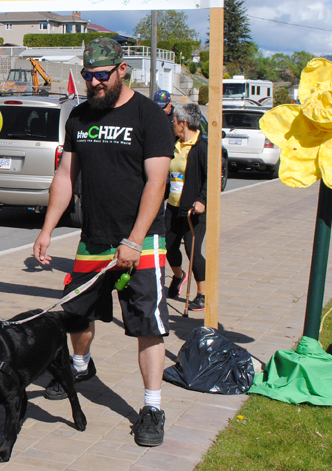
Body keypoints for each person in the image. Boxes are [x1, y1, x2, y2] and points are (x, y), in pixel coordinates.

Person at [32, 38, 173, 447]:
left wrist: (134, 239)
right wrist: (47, 230)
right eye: (88, 75)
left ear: (122, 70)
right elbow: (65, 177)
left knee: (148, 325)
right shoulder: (79, 117)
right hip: (93, 241)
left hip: (141, 243)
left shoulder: (149, 116)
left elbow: (156, 183)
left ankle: (151, 407)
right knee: (77, 315)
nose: (94, 82)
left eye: (101, 75)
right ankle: (79, 365)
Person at [164, 103, 208, 311]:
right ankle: (178, 276)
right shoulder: (174, 144)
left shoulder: (201, 147)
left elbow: (211, 179)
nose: (172, 125)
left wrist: (203, 200)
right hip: (173, 207)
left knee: (192, 251)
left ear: (183, 124)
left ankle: (202, 293)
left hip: (193, 211)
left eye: (174, 122)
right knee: (169, 246)